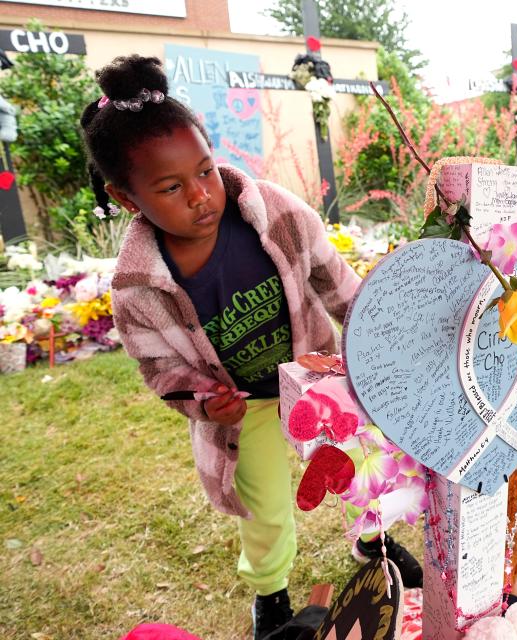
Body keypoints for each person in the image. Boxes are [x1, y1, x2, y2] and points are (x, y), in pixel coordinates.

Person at [80, 55, 421, 639]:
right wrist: (203, 402)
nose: (199, 195)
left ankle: (373, 540)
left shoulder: (275, 213)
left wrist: (376, 340)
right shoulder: (138, 288)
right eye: (171, 187)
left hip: (317, 378)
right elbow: (159, 367)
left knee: (358, 469)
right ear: (128, 197)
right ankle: (271, 594)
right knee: (265, 507)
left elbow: (335, 281)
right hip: (249, 409)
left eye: (205, 171)